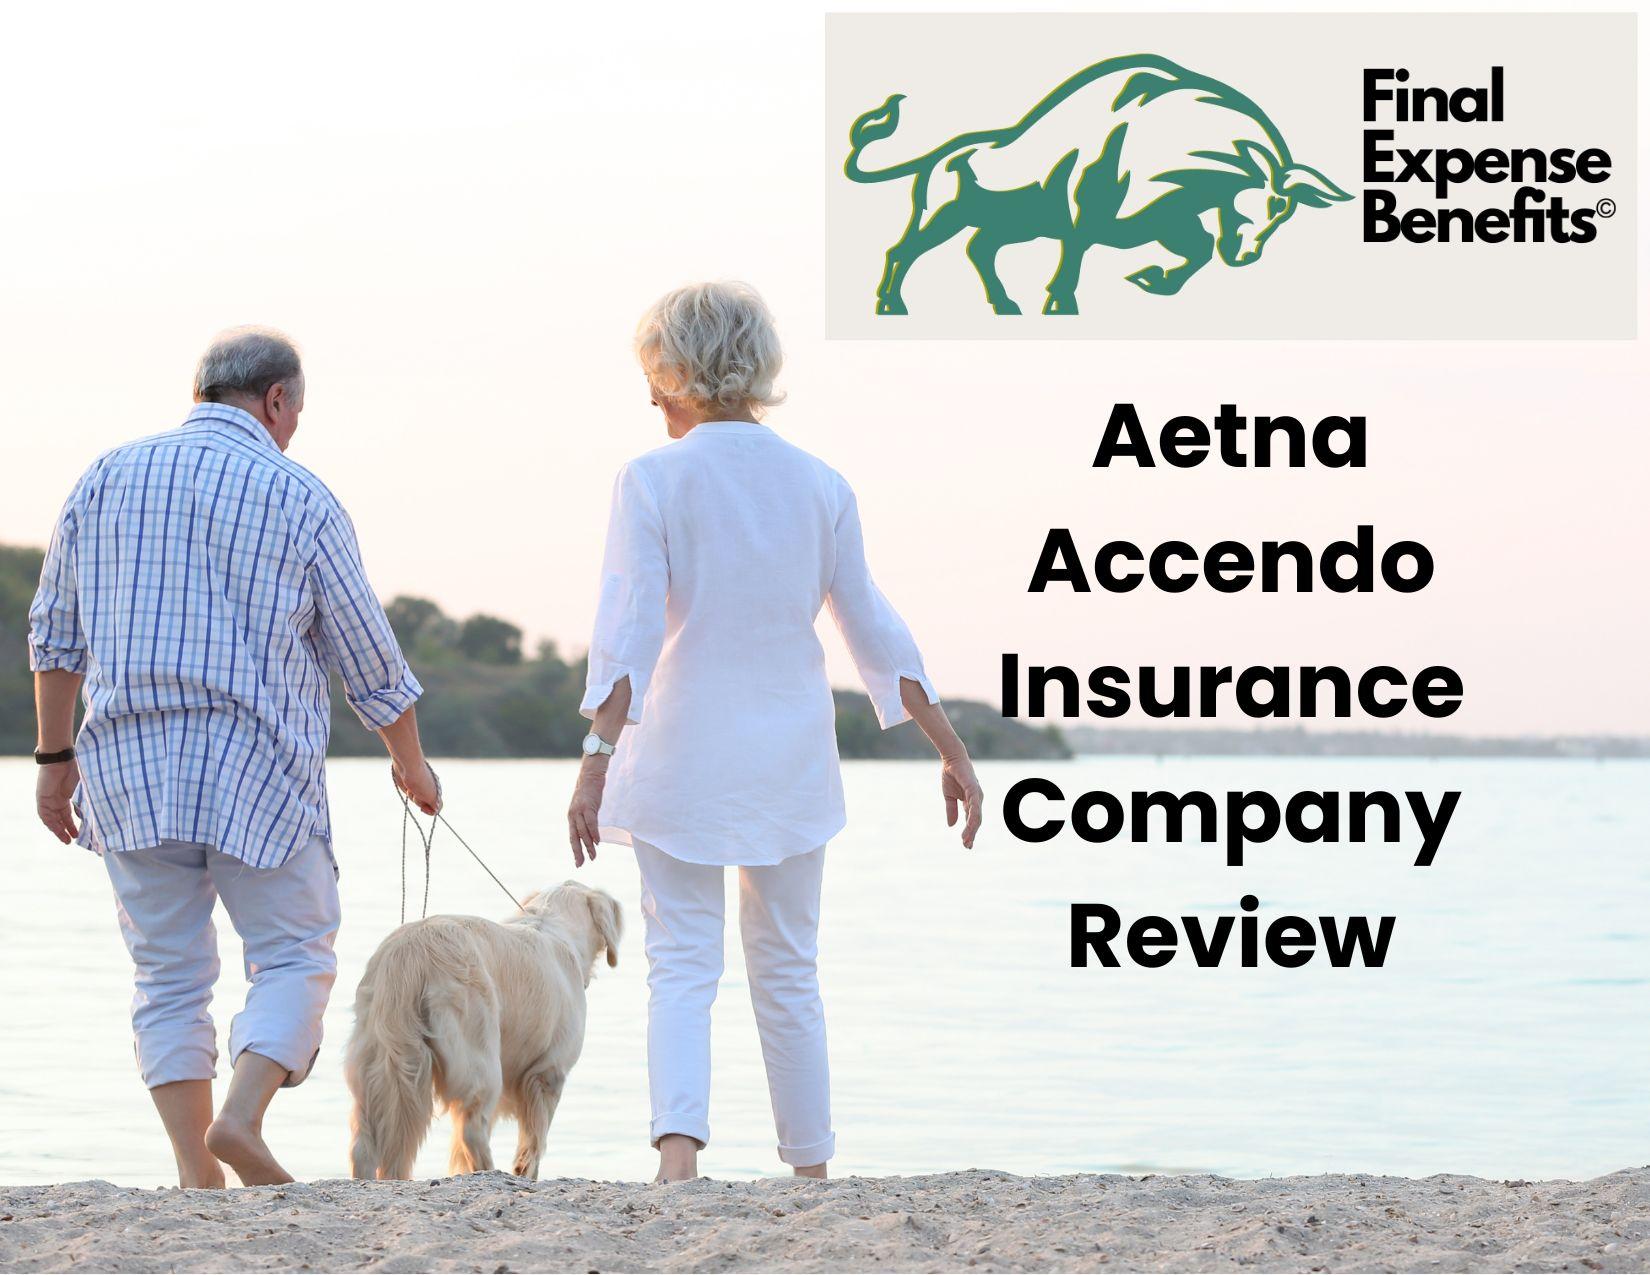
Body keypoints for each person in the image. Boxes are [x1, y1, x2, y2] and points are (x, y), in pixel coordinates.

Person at [566, 282, 984, 1182]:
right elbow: (873, 627)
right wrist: (951, 751)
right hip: (790, 760)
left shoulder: (651, 477)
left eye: (653, 375)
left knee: (681, 960)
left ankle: (678, 1168)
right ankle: (811, 1175)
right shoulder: (820, 483)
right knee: (789, 968)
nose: (648, 397)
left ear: (676, 373)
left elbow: (629, 628)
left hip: (679, 753)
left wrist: (595, 758)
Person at [28, 327, 442, 1188]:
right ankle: (242, 1117)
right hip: (256, 766)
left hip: (128, 763)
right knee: (294, 951)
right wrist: (410, 761)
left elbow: (54, 635)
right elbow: (368, 652)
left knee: (168, 972)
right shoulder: (300, 495)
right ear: (278, 401)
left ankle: (195, 1173)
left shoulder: (104, 478)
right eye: (296, 414)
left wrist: (53, 756)